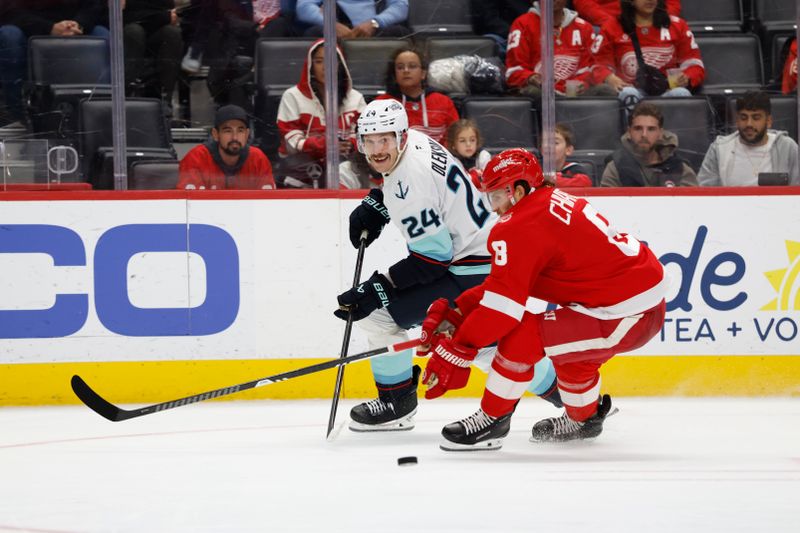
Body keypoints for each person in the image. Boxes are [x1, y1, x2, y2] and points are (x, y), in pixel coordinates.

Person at [416, 148, 667, 450]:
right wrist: (458, 312)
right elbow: (502, 288)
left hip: (625, 314)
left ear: (518, 190)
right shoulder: (543, 205)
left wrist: (457, 350)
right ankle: (584, 420)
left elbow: (501, 312)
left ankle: (492, 420)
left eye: (496, 196)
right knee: (572, 357)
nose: (493, 207)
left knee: (524, 336)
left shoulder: (519, 226)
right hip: (633, 304)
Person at [335, 100, 562, 432]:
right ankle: (576, 398)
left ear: (400, 137)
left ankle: (396, 403)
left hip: (467, 267)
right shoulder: (417, 140)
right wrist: (381, 202)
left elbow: (432, 260)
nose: (377, 149)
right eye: (369, 141)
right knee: (485, 344)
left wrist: (378, 287)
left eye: (384, 140)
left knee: (380, 314)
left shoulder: (408, 182)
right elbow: (431, 193)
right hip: (485, 255)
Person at [0, 0, 109, 127]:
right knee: (9, 36)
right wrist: (49, 28)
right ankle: (19, 115)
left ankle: (102, 113)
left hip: (77, 26)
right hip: (30, 27)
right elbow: (9, 10)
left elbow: (95, 5)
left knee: (104, 35)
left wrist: (78, 24)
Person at [275, 39, 367, 188]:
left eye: (331, 61)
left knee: (347, 168)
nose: (326, 67)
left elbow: (366, 136)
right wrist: (326, 145)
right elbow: (291, 143)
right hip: (302, 164)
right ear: (310, 66)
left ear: (340, 65)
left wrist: (350, 144)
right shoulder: (292, 96)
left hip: (344, 161)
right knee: (299, 166)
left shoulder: (356, 98)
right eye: (319, 61)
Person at [592, 0, 703, 109]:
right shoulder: (612, 26)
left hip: (666, 90)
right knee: (628, 93)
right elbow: (598, 63)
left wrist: (687, 76)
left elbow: (694, 63)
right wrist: (609, 78)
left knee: (681, 93)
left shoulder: (677, 25)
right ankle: (631, 122)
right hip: (631, 88)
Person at [505, 0, 616, 97]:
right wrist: (532, 78)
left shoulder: (584, 27)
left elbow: (592, 67)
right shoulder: (522, 24)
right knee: (533, 92)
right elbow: (513, 72)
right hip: (540, 93)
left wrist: (582, 83)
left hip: (575, 94)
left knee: (604, 91)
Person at [698, 91, 799, 187]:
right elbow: (703, 192)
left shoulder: (787, 147)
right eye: (743, 118)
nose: (749, 124)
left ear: (768, 121)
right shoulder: (719, 149)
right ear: (737, 120)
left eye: (756, 118)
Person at [375, 46, 460, 146]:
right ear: (395, 75)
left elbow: (456, 138)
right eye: (400, 67)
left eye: (412, 66)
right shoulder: (381, 104)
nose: (406, 70)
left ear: (423, 73)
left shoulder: (443, 102)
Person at [177, 104, 276, 189]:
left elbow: (268, 203)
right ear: (215, 134)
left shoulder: (258, 159)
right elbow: (189, 203)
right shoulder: (197, 158)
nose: (235, 137)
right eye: (227, 131)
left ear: (247, 134)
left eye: (240, 130)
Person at [601, 101, 697, 187]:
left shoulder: (679, 169)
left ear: (660, 133)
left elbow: (693, 201)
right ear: (629, 132)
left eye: (651, 129)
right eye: (638, 128)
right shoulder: (616, 168)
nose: (644, 135)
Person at [123, 0, 183, 109]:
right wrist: (161, 16)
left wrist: (160, 16)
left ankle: (165, 97)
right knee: (134, 32)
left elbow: (170, 13)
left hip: (155, 28)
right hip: (126, 28)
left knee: (172, 33)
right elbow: (123, 14)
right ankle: (128, 91)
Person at [295, 0, 409, 38]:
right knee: (313, 33)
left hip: (375, 29)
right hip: (336, 30)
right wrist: (331, 24)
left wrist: (375, 22)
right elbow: (303, 7)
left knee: (400, 33)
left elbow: (401, 6)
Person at [445, 119, 492, 187]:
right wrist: (476, 176)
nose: (468, 144)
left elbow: (488, 181)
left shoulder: (483, 156)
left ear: (477, 141)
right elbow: (461, 183)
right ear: (453, 145)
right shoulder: (451, 160)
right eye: (462, 141)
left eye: (472, 140)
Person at [574, 0, 680, 28]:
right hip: (608, 23)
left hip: (652, 20)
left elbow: (672, 4)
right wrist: (610, 22)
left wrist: (656, 18)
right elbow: (584, 3)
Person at [552, 122, 593, 187]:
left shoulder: (575, 169)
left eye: (555, 143)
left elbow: (585, 182)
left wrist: (548, 180)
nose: (548, 146)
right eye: (545, 142)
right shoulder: (536, 170)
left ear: (568, 150)